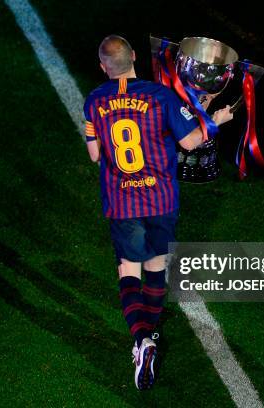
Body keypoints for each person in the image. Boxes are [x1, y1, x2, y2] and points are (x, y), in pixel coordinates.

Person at [83, 35, 233, 390]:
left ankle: (141, 339)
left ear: (103, 67)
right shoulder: (160, 95)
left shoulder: (93, 102)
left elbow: (93, 154)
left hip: (123, 202)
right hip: (161, 200)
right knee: (155, 268)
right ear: (134, 56)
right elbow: (190, 141)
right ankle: (147, 335)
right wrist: (216, 120)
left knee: (128, 270)